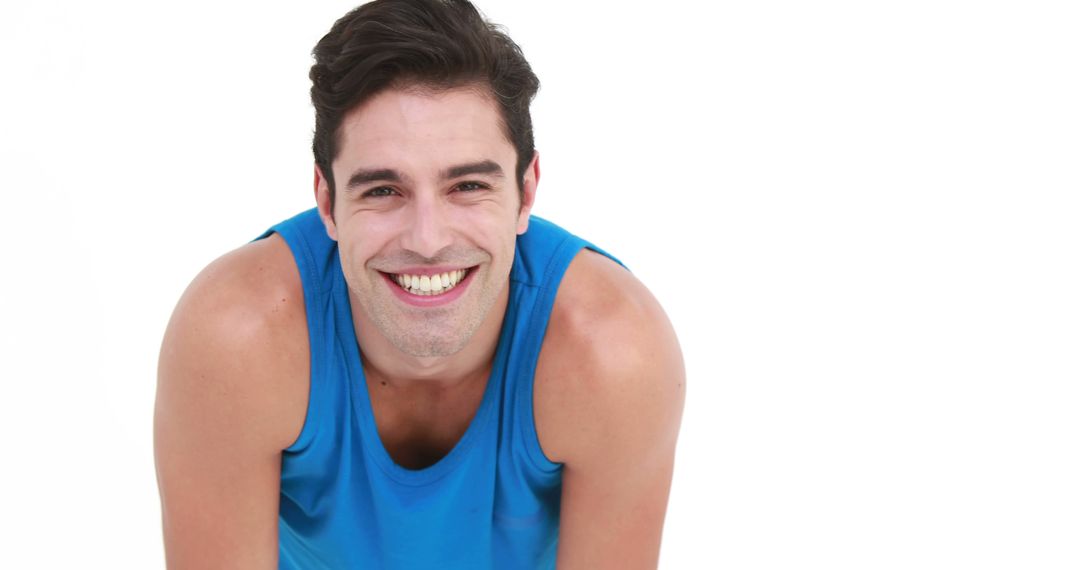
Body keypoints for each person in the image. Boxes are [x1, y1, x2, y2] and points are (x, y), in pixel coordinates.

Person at [154, 0, 685, 568]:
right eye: (383, 191)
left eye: (467, 186)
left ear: (526, 192)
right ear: (327, 203)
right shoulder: (239, 338)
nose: (427, 240)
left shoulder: (612, 351)